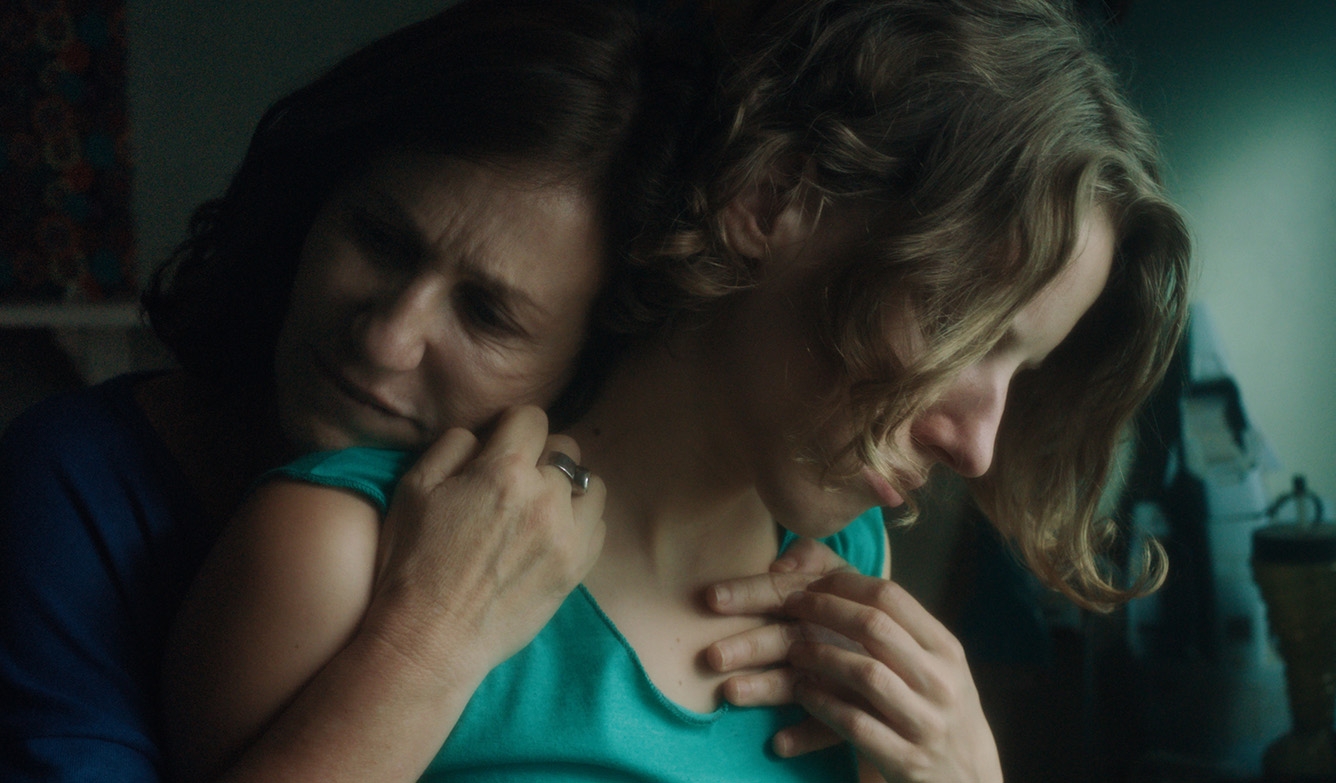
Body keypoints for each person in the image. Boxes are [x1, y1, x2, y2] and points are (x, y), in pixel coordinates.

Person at [162, 0, 1191, 781]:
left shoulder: (848, 579)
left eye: (1020, 367)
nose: (978, 443)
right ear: (769, 198)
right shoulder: (341, 553)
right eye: (963, 327)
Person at [0, 1, 743, 780]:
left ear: (590, 365)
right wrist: (431, 639)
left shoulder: (633, 564)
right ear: (311, 201)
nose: (387, 338)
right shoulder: (70, 479)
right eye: (381, 240)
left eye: (486, 313)